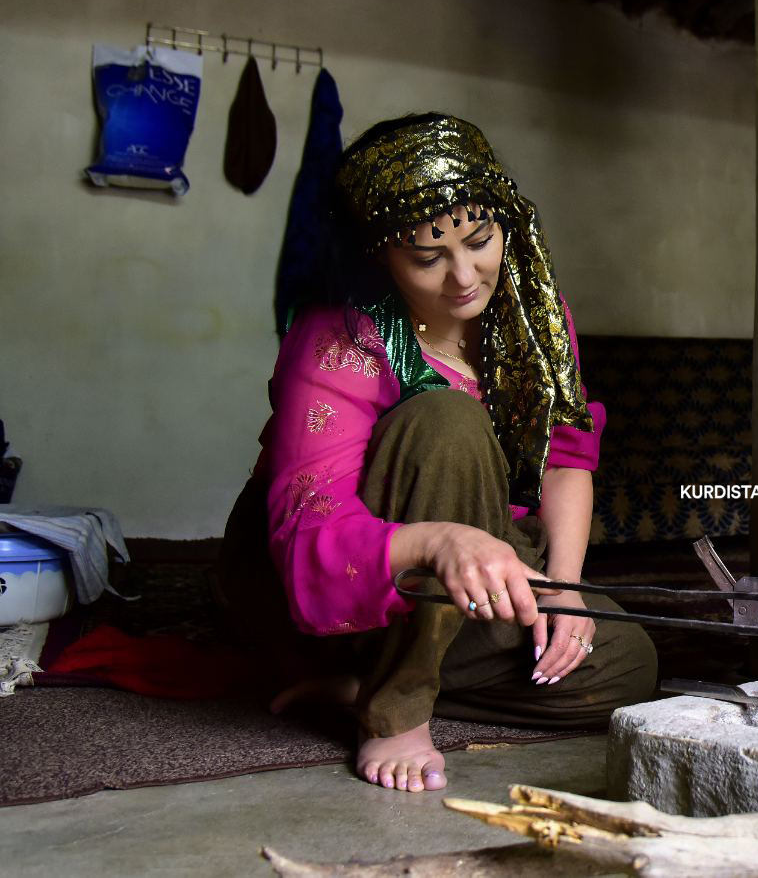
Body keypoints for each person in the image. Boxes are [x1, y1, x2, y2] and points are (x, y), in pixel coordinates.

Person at [219, 113, 656, 793]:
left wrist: (564, 588)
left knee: (625, 665)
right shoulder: (340, 337)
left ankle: (362, 683)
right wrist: (439, 540)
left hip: (466, 565)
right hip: (346, 570)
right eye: (428, 258)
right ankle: (394, 708)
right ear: (378, 256)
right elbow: (310, 533)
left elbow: (566, 453)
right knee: (447, 422)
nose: (464, 275)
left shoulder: (534, 313)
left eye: (480, 241)